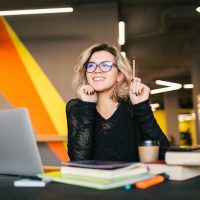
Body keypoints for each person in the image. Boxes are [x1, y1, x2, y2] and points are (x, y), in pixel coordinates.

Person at [66, 43, 169, 162]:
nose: (97, 71)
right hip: (94, 180)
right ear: (86, 73)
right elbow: (78, 160)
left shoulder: (133, 106)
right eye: (91, 66)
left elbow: (164, 153)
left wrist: (142, 106)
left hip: (131, 179)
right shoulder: (76, 107)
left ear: (119, 75)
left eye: (105, 65)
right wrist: (87, 105)